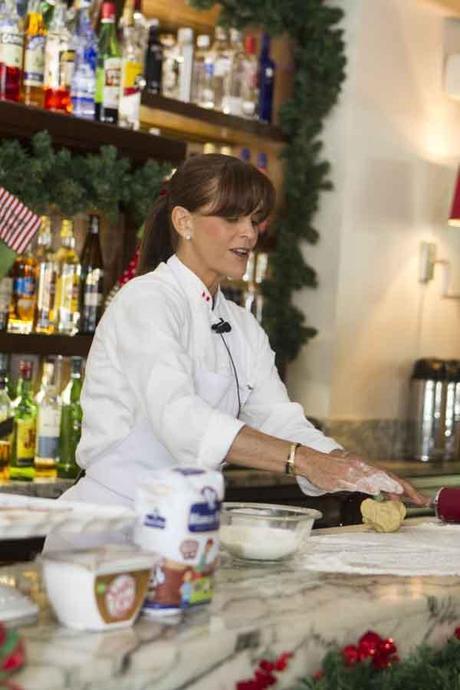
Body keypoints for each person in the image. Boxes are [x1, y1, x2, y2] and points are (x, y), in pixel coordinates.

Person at [56, 153, 427, 520]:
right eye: (232, 217)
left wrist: (350, 466)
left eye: (254, 219)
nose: (249, 233)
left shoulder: (241, 324)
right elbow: (180, 417)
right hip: (112, 522)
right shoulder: (145, 299)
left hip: (185, 526)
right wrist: (304, 461)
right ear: (184, 221)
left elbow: (280, 419)